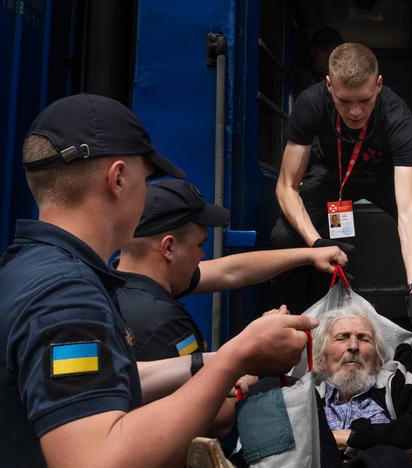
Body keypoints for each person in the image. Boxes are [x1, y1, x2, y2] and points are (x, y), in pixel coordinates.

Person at [0, 93, 317, 467]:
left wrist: (215, 360)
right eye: (146, 179)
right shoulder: (66, 295)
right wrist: (238, 356)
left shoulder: (29, 267)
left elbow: (113, 377)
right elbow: (95, 459)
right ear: (118, 178)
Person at [270, 42, 412, 319]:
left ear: (378, 84)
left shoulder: (398, 118)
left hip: (384, 175)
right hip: (331, 173)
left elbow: (409, 208)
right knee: (282, 237)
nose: (355, 112)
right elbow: (287, 186)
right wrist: (316, 244)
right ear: (329, 86)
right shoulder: (311, 103)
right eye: (344, 101)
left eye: (364, 100)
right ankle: (290, 322)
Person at [115, 178, 347, 361]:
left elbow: (232, 270)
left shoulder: (126, 282)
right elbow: (209, 413)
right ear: (168, 247)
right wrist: (254, 350)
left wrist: (310, 254)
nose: (203, 256)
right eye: (199, 245)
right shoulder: (162, 325)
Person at [312, 305, 412, 455]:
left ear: (378, 361)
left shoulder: (396, 383)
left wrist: (352, 437)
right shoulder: (308, 400)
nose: (353, 346)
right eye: (342, 338)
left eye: (363, 339)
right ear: (321, 360)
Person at [293, 26, 344, 97]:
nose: (330, 57)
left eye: (335, 53)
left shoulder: (336, 83)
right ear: (312, 50)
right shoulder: (304, 78)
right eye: (324, 50)